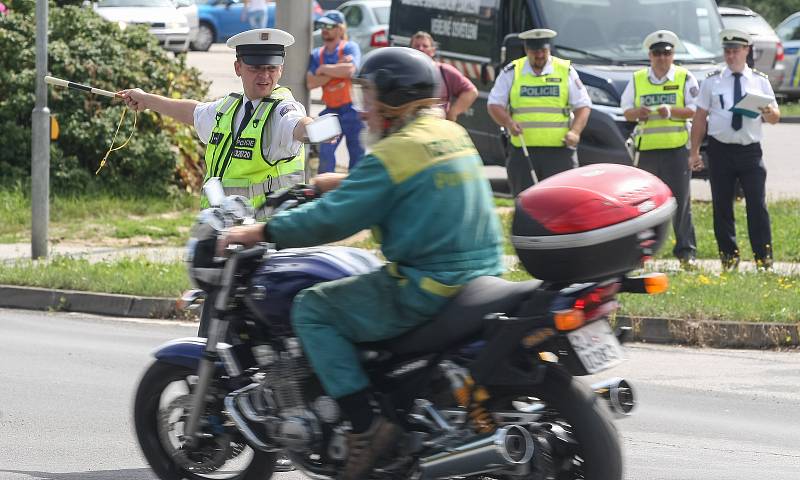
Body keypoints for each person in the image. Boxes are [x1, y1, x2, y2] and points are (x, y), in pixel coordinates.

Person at [218, 47, 504, 479]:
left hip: (425, 287)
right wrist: (345, 182)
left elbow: (332, 221)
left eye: (368, 98)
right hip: (480, 278)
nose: (363, 111)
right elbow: (405, 183)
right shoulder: (448, 134)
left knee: (313, 308)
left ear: (394, 101)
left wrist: (260, 231)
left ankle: (366, 427)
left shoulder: (392, 155)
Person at [120, 28, 311, 215]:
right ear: (238, 68)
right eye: (255, 68)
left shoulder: (282, 109)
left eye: (271, 68)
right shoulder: (230, 106)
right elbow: (193, 112)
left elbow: (297, 124)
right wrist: (146, 100)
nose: (264, 76)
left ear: (281, 70)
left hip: (266, 232)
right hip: (225, 227)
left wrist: (315, 130)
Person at [689, 28, 781, 271]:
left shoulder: (759, 81)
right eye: (727, 51)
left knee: (757, 207)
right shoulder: (712, 80)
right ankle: (729, 260)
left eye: (735, 51)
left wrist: (769, 112)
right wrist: (694, 151)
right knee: (722, 207)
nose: (731, 56)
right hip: (720, 151)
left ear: (746, 51)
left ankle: (764, 259)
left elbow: (774, 117)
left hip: (750, 151)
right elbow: (700, 118)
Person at [621, 30, 699, 269]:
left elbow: (695, 109)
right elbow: (626, 110)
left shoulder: (684, 77)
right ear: (650, 55)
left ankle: (686, 253)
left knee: (681, 203)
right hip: (647, 152)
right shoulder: (637, 79)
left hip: (676, 150)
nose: (662, 58)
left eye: (666, 53)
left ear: (673, 54)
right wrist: (638, 113)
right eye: (657, 53)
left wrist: (671, 111)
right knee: (644, 205)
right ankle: (641, 254)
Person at [487, 28, 591, 197]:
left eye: (543, 50)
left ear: (549, 49)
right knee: (525, 202)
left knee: (562, 201)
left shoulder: (565, 70)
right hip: (523, 150)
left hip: (560, 150)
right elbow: (494, 104)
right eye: (535, 52)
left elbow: (583, 105)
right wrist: (508, 123)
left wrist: (575, 132)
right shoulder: (512, 71)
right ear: (527, 50)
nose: (540, 55)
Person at [306, 10, 364, 174]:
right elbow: (310, 82)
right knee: (325, 153)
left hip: (353, 111)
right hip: (330, 111)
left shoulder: (350, 47)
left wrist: (323, 69)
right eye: (322, 25)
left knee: (357, 157)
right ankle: (324, 193)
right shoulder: (317, 54)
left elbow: (350, 71)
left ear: (340, 29)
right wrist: (336, 70)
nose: (325, 29)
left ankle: (355, 193)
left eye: (329, 25)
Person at [410, 31, 479, 122]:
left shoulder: (445, 72)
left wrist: (453, 113)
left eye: (425, 46)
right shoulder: (403, 73)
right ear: (410, 50)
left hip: (437, 129)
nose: (421, 49)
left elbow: (471, 92)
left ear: (433, 51)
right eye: (417, 46)